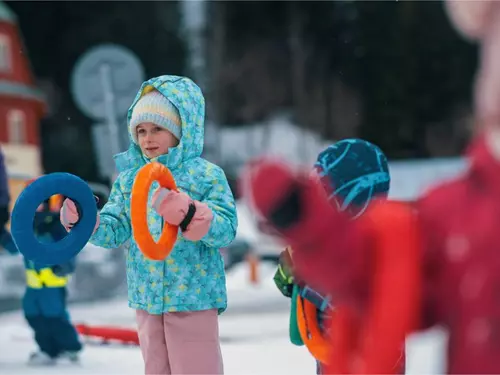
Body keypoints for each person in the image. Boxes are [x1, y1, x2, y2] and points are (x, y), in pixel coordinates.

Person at [60, 75, 238, 375]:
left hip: (192, 296)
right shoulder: (130, 180)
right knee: (156, 369)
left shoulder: (206, 175)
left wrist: (189, 212)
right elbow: (115, 227)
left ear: (181, 129)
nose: (147, 138)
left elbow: (226, 229)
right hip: (147, 296)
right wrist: (85, 221)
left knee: (196, 368)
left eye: (157, 128)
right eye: (141, 130)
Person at [272, 139, 401, 374]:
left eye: (323, 190)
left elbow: (349, 295)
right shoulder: (327, 242)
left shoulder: (377, 240)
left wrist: (308, 272)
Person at [3, 190, 82, 366]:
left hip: (52, 284)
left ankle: (71, 348)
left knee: (54, 318)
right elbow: (15, 246)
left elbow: (69, 249)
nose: (35, 207)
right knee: (33, 316)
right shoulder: (28, 227)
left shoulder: (56, 227)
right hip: (34, 286)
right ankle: (48, 350)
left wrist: (64, 265)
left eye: (38, 203)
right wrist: (3, 236)